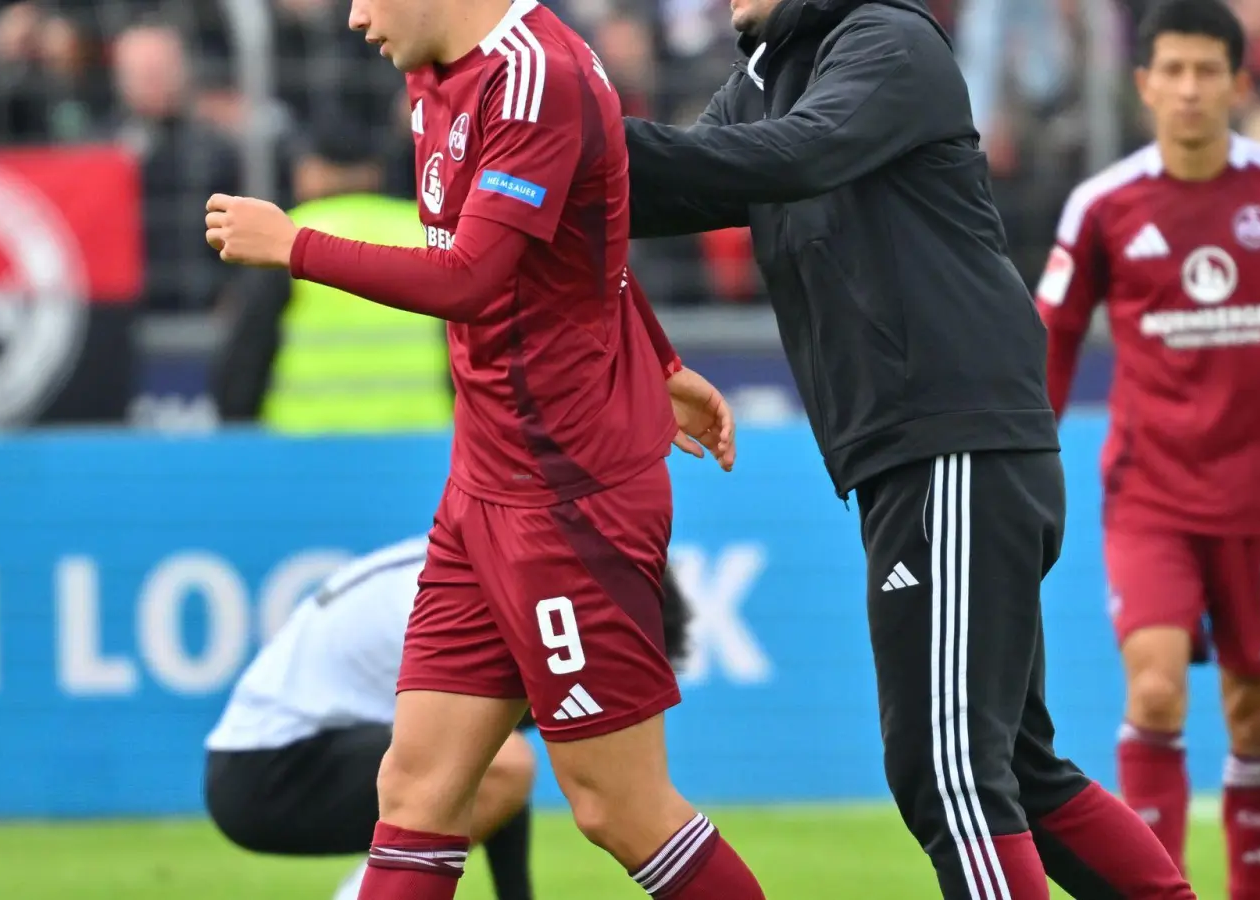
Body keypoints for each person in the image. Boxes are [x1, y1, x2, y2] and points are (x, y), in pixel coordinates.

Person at [619, 0, 1195, 897]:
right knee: (1017, 771)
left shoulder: (886, 38)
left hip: (950, 437)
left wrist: (564, 124)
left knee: (948, 767)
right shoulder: (769, 74)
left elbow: (795, 155)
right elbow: (683, 179)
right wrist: (547, 156)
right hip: (920, 450)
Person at [200, 0, 767, 897]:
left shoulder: (540, 76)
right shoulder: (433, 78)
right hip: (480, 492)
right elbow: (582, 250)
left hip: (567, 499)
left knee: (618, 807)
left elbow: (472, 277)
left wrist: (295, 244)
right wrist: (659, 362)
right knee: (416, 787)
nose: (353, 19)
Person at [1037, 3, 1260, 899]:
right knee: (1154, 692)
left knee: (1256, 716)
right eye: (1173, 72)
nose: (1190, 89)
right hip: (1149, 491)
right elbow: (1055, 337)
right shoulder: (1103, 205)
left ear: (1238, 82)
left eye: (1207, 72)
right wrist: (1029, 456)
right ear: (1144, 82)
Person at [204, 535, 699, 900]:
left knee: (495, 758)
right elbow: (494, 761)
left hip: (272, 764)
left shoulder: (485, 569)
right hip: (270, 774)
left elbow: (487, 764)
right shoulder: (483, 595)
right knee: (502, 760)